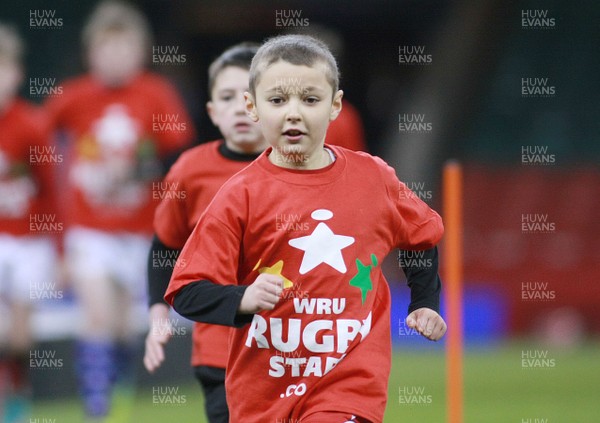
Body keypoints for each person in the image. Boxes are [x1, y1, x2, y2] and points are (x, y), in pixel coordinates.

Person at [165, 34, 446, 423]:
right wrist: (242, 299)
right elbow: (186, 292)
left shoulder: (373, 178)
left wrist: (424, 301)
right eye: (278, 100)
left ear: (335, 106)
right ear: (253, 107)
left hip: (348, 386)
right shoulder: (239, 195)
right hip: (260, 394)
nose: (293, 113)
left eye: (310, 100)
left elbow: (421, 235)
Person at [44, 1, 195, 420]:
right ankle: (97, 407)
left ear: (140, 51)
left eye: (124, 48)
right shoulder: (70, 97)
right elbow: (40, 145)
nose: (114, 58)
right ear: (91, 52)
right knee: (97, 316)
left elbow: (177, 157)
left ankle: (117, 389)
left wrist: (134, 171)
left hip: (140, 230)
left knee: (126, 327)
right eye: (106, 49)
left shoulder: (156, 94)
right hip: (89, 228)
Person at [143, 42, 266, 423]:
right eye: (227, 97)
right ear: (212, 111)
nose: (238, 106)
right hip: (219, 351)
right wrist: (158, 317)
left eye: (249, 96)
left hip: (294, 347)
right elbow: (165, 244)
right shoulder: (190, 171)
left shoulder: (301, 163)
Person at [0, 23, 58, 423]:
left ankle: (18, 394)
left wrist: (60, 250)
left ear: (17, 73)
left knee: (20, 337)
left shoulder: (32, 124)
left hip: (29, 240)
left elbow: (52, 192)